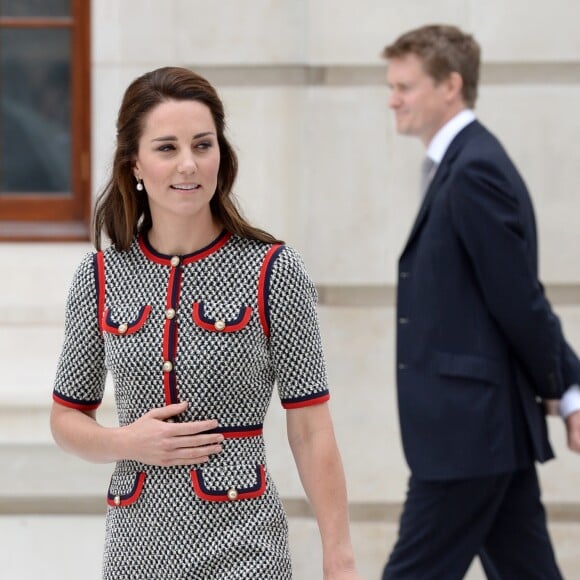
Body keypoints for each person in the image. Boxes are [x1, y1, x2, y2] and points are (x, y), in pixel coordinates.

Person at [50, 66, 360, 580]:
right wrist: (125, 442)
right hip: (136, 553)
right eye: (167, 148)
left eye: (203, 145)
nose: (188, 165)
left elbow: (309, 427)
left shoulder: (273, 270)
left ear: (222, 155)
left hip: (245, 550)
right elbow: (66, 420)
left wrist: (339, 554)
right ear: (135, 166)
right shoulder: (99, 275)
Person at [381, 25, 580, 579]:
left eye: (404, 85)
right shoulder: (461, 164)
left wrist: (565, 388)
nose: (392, 98)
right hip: (483, 429)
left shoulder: (473, 170)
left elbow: (517, 299)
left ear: (451, 85)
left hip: (467, 430)